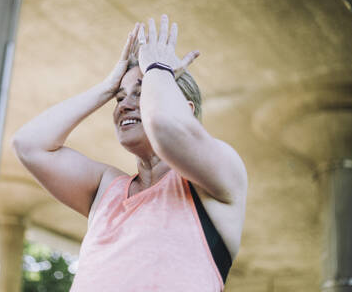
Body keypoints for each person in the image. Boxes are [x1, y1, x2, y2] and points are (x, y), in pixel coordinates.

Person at [12, 14, 247, 292]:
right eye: (120, 98)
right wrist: (106, 87)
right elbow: (29, 145)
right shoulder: (106, 187)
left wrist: (158, 68)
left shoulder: (221, 175)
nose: (124, 105)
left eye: (141, 92)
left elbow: (164, 127)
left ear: (185, 110)